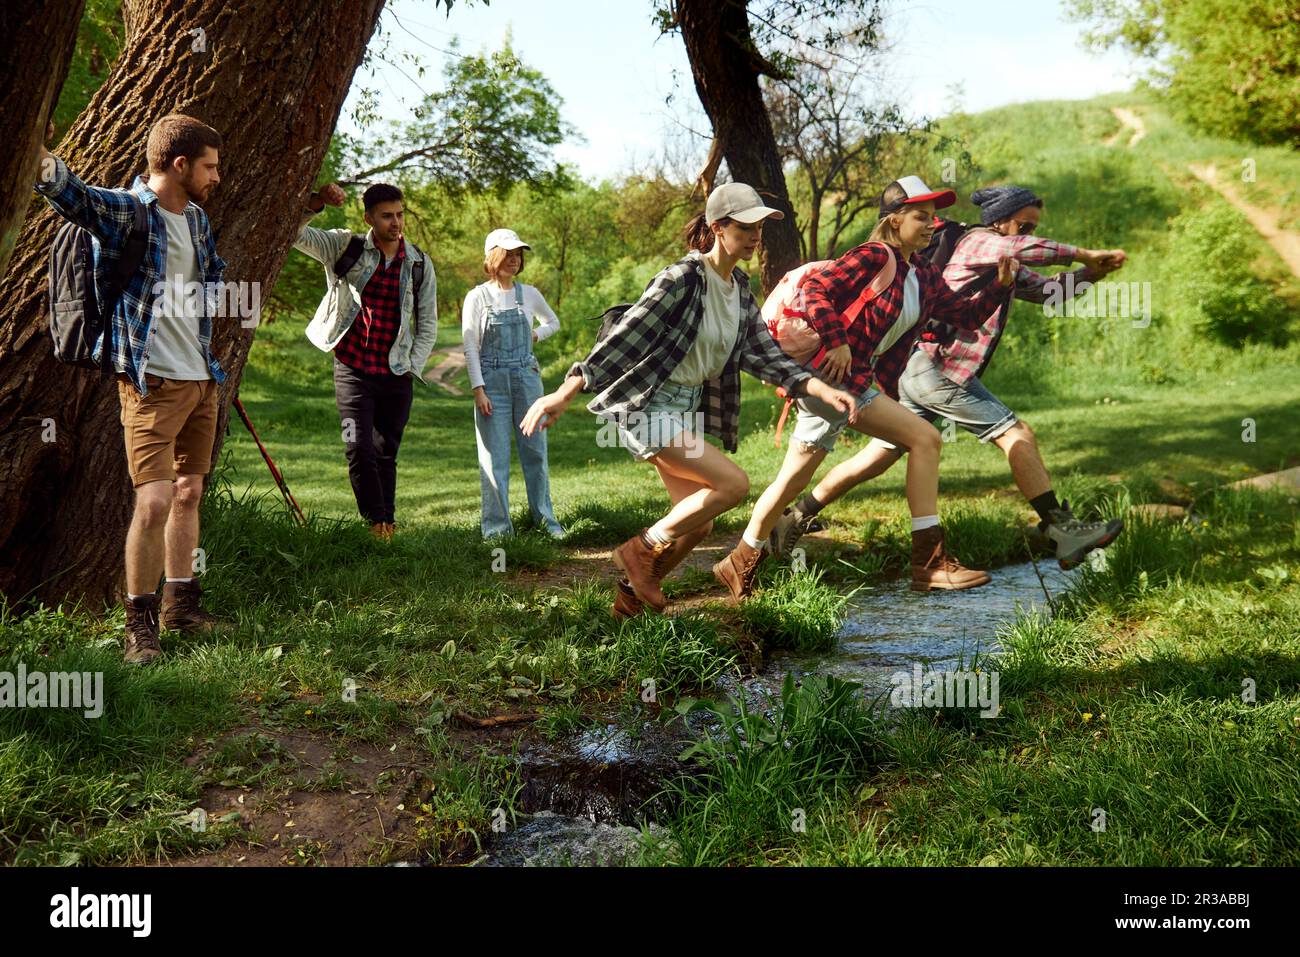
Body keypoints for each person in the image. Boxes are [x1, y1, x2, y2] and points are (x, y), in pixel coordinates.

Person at [519, 182, 858, 616]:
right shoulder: (683, 278)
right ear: (718, 227)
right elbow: (626, 339)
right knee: (733, 485)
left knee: (699, 524)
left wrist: (817, 386)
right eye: (745, 226)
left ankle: (629, 600)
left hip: (684, 408)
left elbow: (766, 358)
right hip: (650, 406)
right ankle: (639, 550)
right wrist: (565, 392)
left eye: (760, 227)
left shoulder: (738, 288)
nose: (756, 236)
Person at [769, 184, 1128, 570]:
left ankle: (797, 515)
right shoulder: (981, 242)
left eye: (1032, 230)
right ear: (1000, 221)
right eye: (1023, 227)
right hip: (939, 369)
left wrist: (1093, 272)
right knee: (1016, 433)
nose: (1026, 236)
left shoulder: (991, 261)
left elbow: (1049, 293)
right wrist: (1084, 252)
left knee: (881, 454)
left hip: (920, 368)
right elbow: (1021, 249)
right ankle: (1060, 530)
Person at [735, 176, 1021, 595]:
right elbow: (817, 289)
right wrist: (837, 342)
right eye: (921, 217)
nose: (931, 225)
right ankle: (929, 563)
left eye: (934, 217)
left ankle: (738, 561)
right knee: (924, 438)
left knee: (791, 482)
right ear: (893, 220)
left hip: (843, 383)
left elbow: (964, 316)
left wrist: (1000, 285)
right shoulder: (873, 255)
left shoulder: (922, 272)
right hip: (831, 380)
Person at [34, 114, 228, 664]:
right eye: (210, 167)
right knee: (155, 500)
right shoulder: (128, 211)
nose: (217, 178)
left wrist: (204, 305)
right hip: (151, 385)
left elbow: (212, 270)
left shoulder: (195, 220)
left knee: (189, 494)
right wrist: (39, 159)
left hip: (200, 380)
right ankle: (138, 625)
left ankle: (181, 606)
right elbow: (75, 198)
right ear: (179, 164)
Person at [295, 181, 438, 541]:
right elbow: (293, 234)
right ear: (369, 218)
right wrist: (317, 201)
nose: (396, 222)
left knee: (386, 451)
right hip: (353, 367)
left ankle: (386, 524)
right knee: (357, 447)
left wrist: (412, 366)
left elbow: (428, 321)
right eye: (387, 216)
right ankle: (375, 522)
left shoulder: (419, 262)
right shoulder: (347, 245)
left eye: (400, 214)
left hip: (395, 372)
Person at [462, 229, 565, 539]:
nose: (514, 260)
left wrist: (535, 335)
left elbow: (553, 323)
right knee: (494, 458)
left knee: (535, 451)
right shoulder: (477, 297)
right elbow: (470, 345)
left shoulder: (529, 294)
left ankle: (545, 521)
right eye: (508, 254)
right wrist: (478, 389)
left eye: (518, 254)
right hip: (491, 382)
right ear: (492, 256)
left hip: (527, 380)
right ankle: (497, 531)